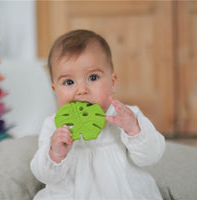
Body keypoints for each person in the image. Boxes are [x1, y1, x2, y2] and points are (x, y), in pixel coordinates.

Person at [30, 29, 165, 200]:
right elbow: (44, 175)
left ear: (112, 82)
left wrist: (134, 131)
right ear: (55, 90)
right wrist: (55, 154)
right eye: (69, 82)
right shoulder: (53, 126)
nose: (81, 90)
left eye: (93, 78)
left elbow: (152, 156)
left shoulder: (127, 116)